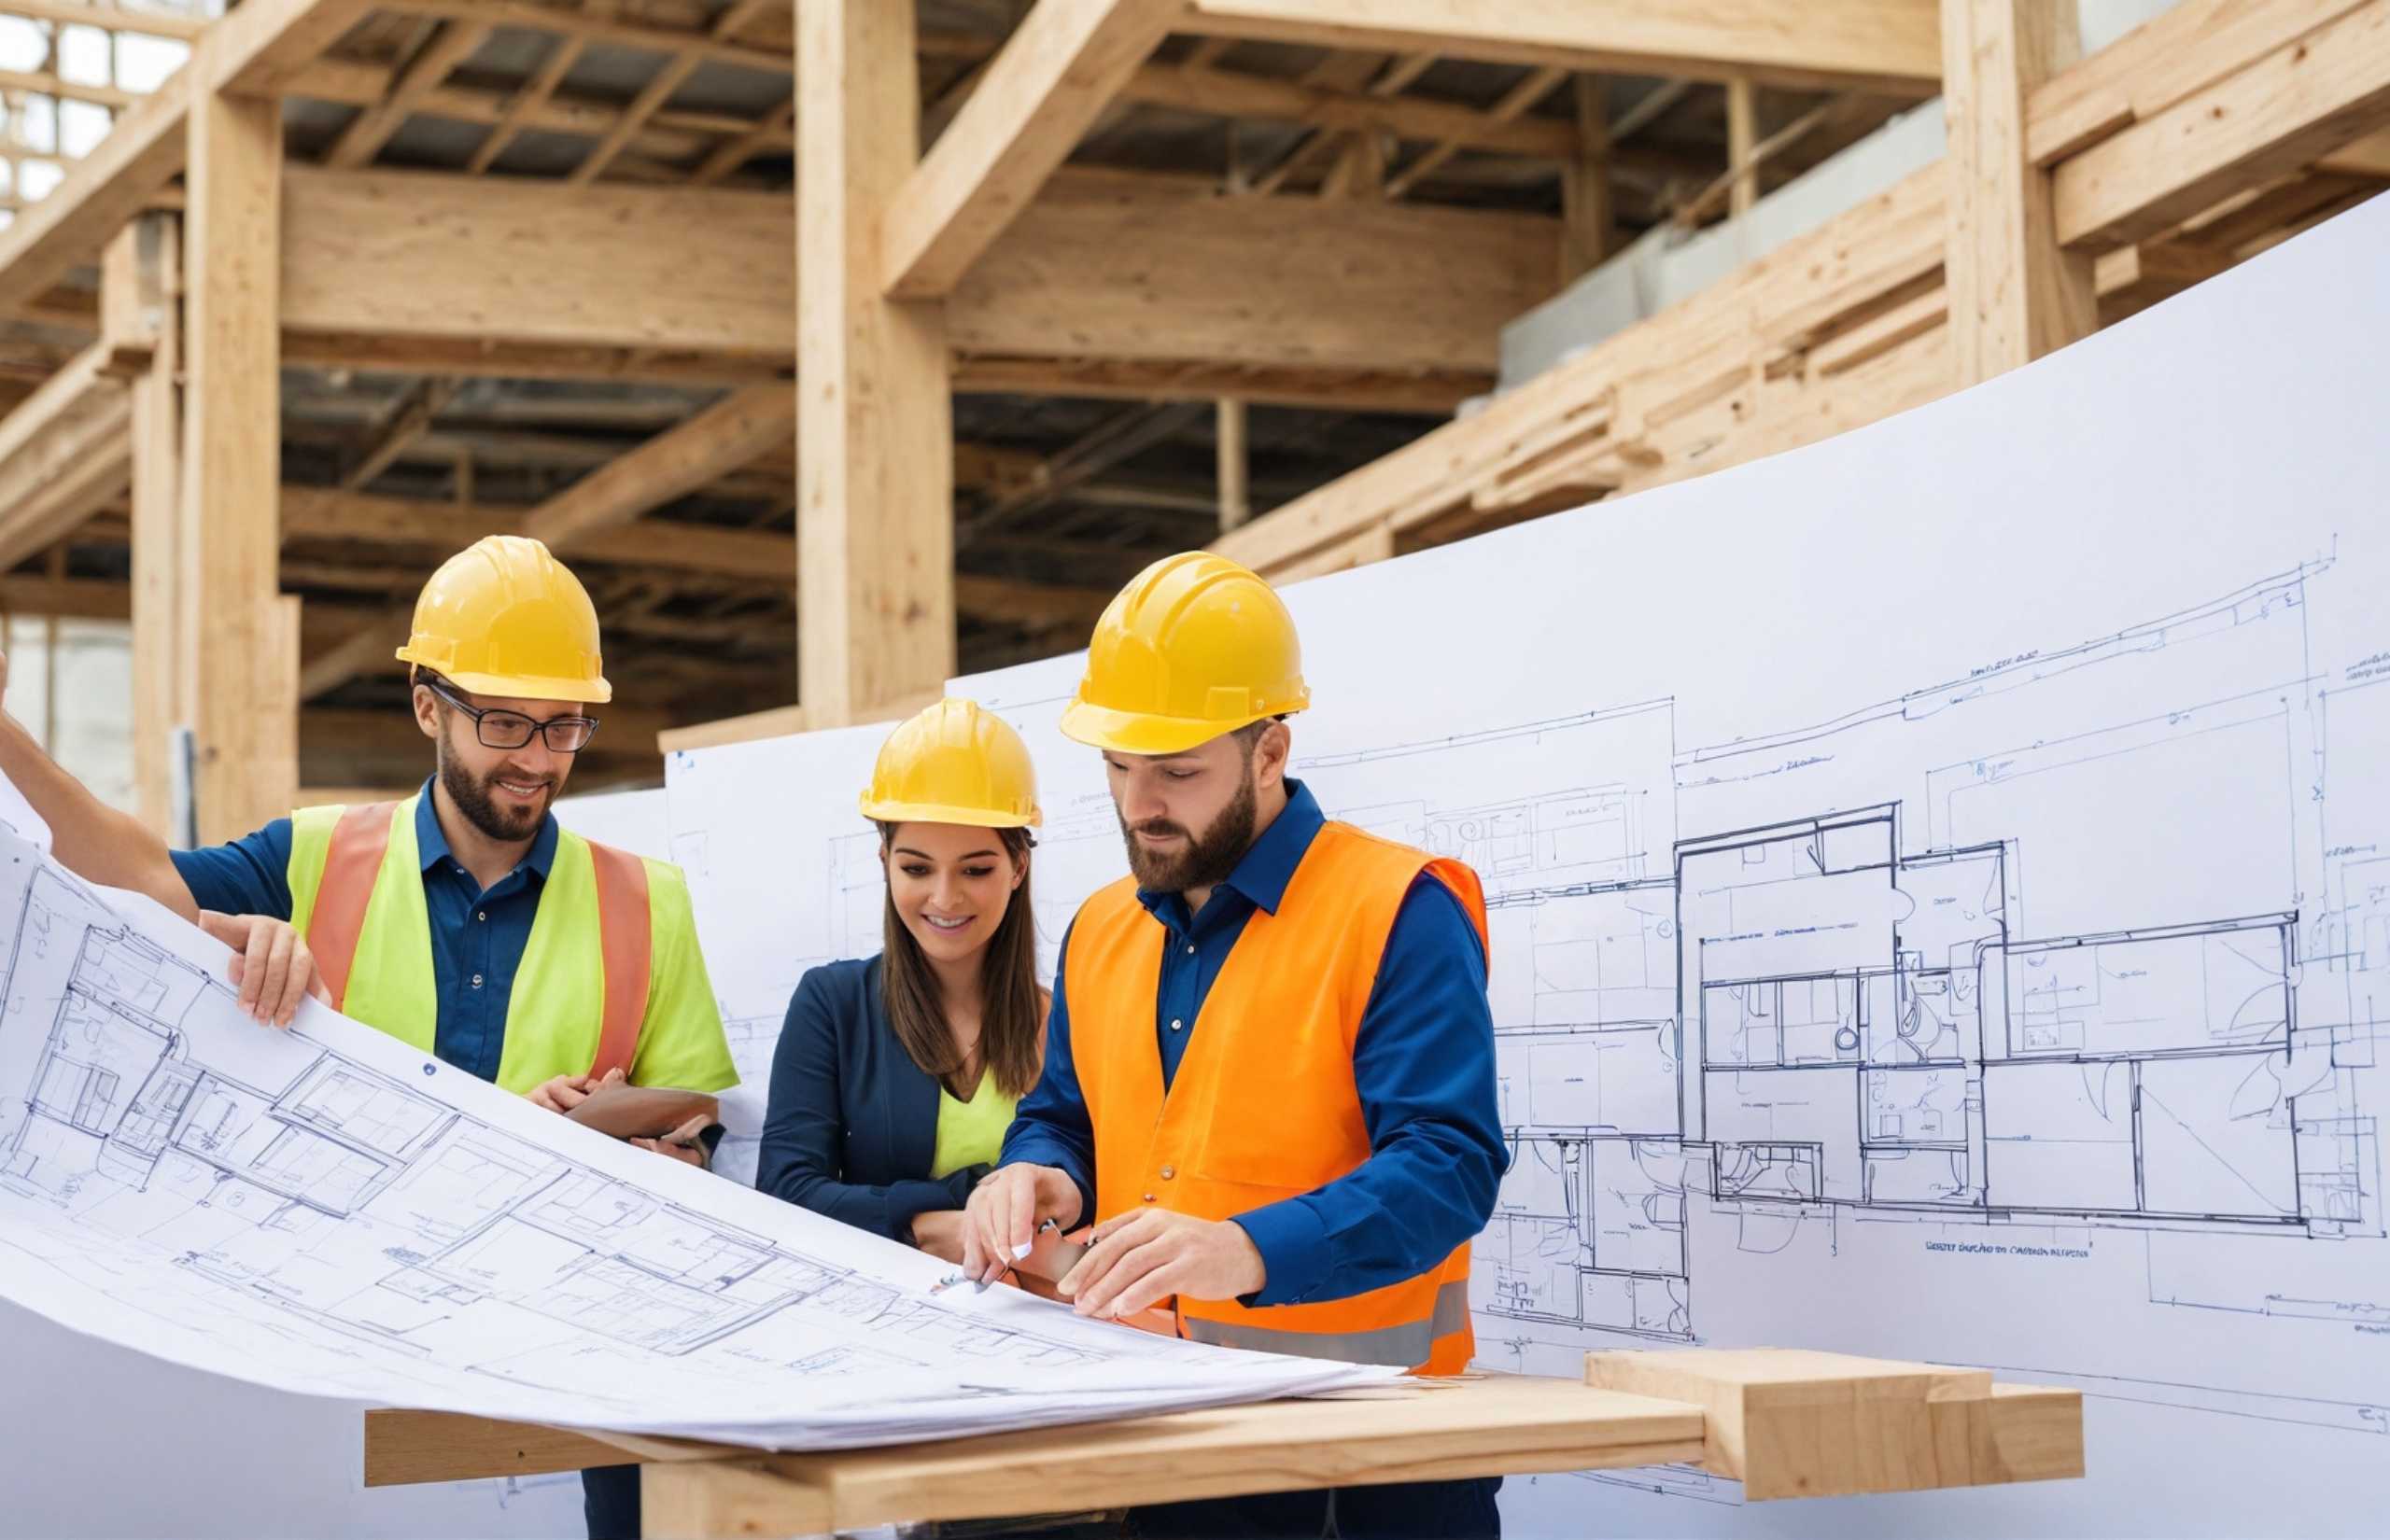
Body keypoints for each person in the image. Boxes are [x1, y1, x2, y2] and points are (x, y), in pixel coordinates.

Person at [0, 535, 737, 1540]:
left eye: (565, 726)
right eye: (506, 723)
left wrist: (657, 1152)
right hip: (351, 1378)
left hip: (568, 1388)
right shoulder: (309, 857)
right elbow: (141, 888)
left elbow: (700, 1142)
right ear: (429, 707)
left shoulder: (650, 902)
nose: (536, 759)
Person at [962, 553, 1510, 1540]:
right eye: (1119, 769)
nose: (1139, 806)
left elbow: (1447, 1167)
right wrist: (1040, 1174)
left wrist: (1246, 1250)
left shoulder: (1396, 908)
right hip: (1173, 1445)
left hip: (1372, 1466)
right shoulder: (1099, 929)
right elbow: (1063, 1118)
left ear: (1269, 751)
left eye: (1176, 772)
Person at [756, 697, 1046, 1263]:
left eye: (975, 869)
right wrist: (938, 1220)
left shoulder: (1064, 1022)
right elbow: (784, 1192)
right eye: (916, 868)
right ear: (884, 860)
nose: (943, 897)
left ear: (1017, 867)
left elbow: (1083, 1189)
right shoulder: (833, 1005)